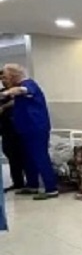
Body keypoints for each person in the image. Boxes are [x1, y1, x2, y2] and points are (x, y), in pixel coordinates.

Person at [0, 64, 59, 200]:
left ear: (14, 75)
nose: (4, 80)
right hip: (25, 129)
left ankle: (51, 188)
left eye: (6, 77)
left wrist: (5, 93)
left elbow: (22, 90)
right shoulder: (19, 90)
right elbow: (17, 101)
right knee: (28, 158)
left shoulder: (29, 84)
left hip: (36, 128)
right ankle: (32, 185)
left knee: (40, 157)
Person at [0, 70, 24, 192]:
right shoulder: (2, 92)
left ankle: (30, 182)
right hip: (6, 129)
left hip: (19, 129)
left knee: (21, 155)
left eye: (5, 78)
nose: (3, 81)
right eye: (1, 79)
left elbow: (17, 102)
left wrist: (4, 107)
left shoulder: (19, 90)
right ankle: (17, 182)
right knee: (10, 154)